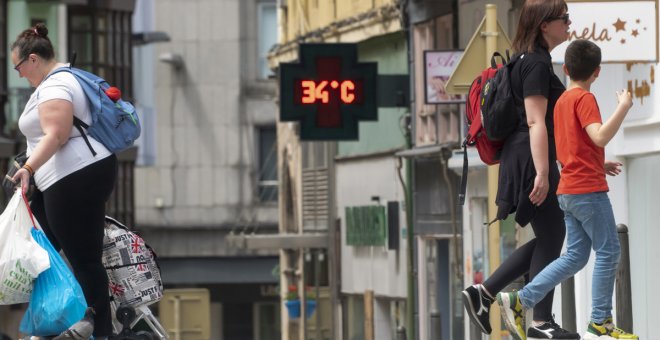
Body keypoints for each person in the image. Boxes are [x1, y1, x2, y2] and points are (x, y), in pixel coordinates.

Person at [497, 40, 638, 340]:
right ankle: (600, 321)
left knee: (574, 256)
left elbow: (569, 148)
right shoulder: (584, 99)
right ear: (597, 72)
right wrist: (623, 107)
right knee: (609, 250)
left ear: (565, 68)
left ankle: (521, 299)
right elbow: (598, 136)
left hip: (568, 189)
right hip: (588, 191)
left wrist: (599, 165)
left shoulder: (560, 102)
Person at [461, 1, 581, 339]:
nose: (568, 24)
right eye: (564, 19)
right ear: (545, 25)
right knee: (554, 234)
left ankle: (485, 294)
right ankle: (540, 321)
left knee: (551, 235)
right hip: (530, 159)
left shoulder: (523, 60)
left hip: (523, 156)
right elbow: (535, 120)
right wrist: (543, 172)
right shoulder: (538, 65)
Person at [10, 23, 117, 339]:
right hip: (64, 178)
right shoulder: (53, 83)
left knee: (83, 258)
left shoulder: (55, 86)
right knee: (41, 254)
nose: (18, 74)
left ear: (32, 59)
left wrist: (28, 167)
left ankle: (100, 330)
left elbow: (56, 133)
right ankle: (57, 323)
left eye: (18, 67)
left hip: (74, 177)